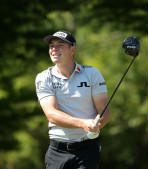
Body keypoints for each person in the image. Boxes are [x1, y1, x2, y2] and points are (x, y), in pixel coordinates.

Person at [35, 30, 110, 169]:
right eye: (51, 46)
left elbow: (104, 111)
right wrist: (83, 123)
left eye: (60, 45)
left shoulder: (92, 73)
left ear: (72, 49)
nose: (54, 49)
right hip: (57, 151)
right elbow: (51, 114)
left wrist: (97, 124)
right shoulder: (44, 77)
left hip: (87, 150)